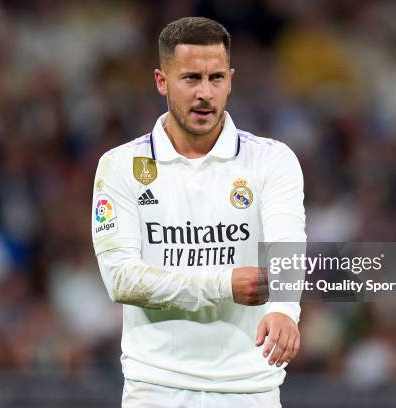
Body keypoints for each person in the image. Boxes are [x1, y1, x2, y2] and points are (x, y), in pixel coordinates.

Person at [92, 16, 306, 407]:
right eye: (191, 78)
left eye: (216, 78)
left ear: (230, 80)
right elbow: (121, 278)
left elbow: (286, 247)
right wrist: (223, 284)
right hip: (155, 388)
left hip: (249, 388)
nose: (205, 93)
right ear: (161, 81)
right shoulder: (121, 166)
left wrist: (284, 311)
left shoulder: (272, 160)